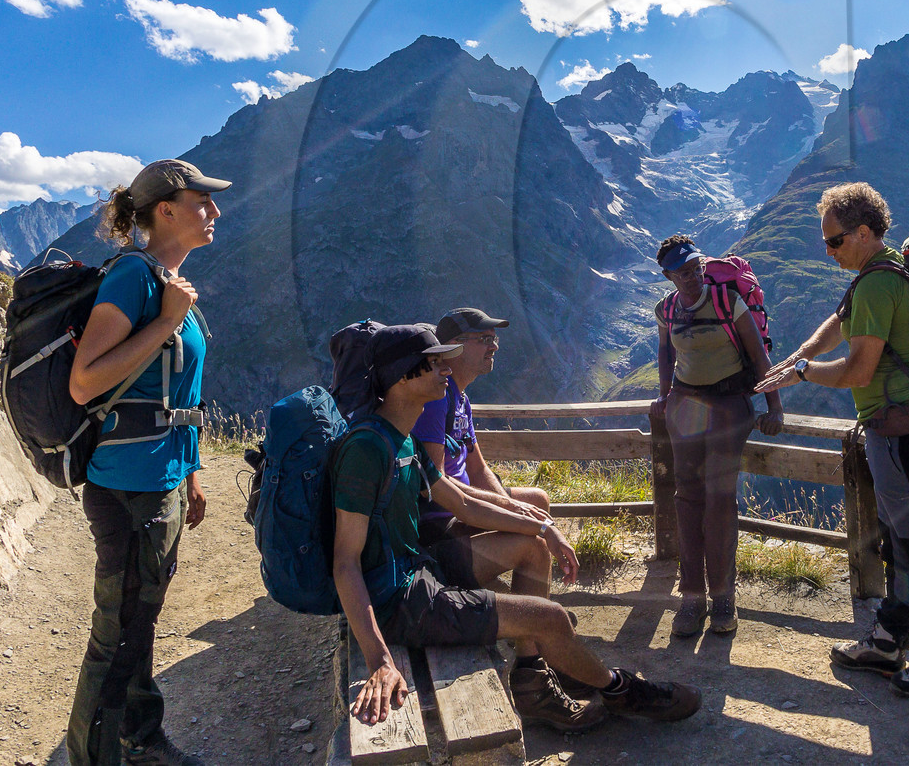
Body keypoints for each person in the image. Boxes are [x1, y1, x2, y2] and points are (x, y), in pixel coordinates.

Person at [332, 324, 701, 734]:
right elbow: (345, 563)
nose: (446, 371)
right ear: (404, 375)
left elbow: (466, 503)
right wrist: (379, 659)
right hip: (401, 603)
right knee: (550, 618)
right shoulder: (366, 450)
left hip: (422, 571)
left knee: (531, 556)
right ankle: (623, 691)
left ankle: (536, 680)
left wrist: (543, 527)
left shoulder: (402, 441)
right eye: (435, 364)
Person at [757, 182, 909, 698]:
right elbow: (839, 322)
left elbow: (857, 371)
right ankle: (892, 637)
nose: (827, 251)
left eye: (833, 242)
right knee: (902, 537)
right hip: (896, 432)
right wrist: (797, 360)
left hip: (901, 434)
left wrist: (806, 372)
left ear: (861, 233)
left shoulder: (877, 284)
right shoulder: (882, 271)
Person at [64, 159, 230, 766]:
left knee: (142, 617)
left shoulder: (170, 282)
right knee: (119, 632)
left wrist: (192, 475)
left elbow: (175, 395)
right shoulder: (135, 278)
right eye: (202, 201)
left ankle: (138, 732)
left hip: (160, 479)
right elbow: (86, 383)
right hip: (128, 486)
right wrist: (165, 320)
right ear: (166, 210)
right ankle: (95, 756)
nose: (214, 212)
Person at [650, 235, 784, 638]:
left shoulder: (728, 302)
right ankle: (692, 598)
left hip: (728, 406)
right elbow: (665, 353)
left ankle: (723, 597)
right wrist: (663, 395)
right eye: (683, 272)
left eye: (696, 268)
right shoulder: (666, 310)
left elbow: (760, 356)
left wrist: (774, 407)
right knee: (687, 498)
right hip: (687, 407)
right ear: (669, 276)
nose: (693, 277)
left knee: (719, 500)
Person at [412, 308, 555, 596]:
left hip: (462, 508)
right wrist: (512, 512)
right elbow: (436, 483)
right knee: (535, 543)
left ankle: (528, 606)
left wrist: (512, 509)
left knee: (537, 500)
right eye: (484, 338)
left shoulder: (460, 397)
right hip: (443, 523)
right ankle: (530, 631)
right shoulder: (437, 398)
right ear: (454, 347)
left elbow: (477, 470)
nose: (495, 346)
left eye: (494, 338)